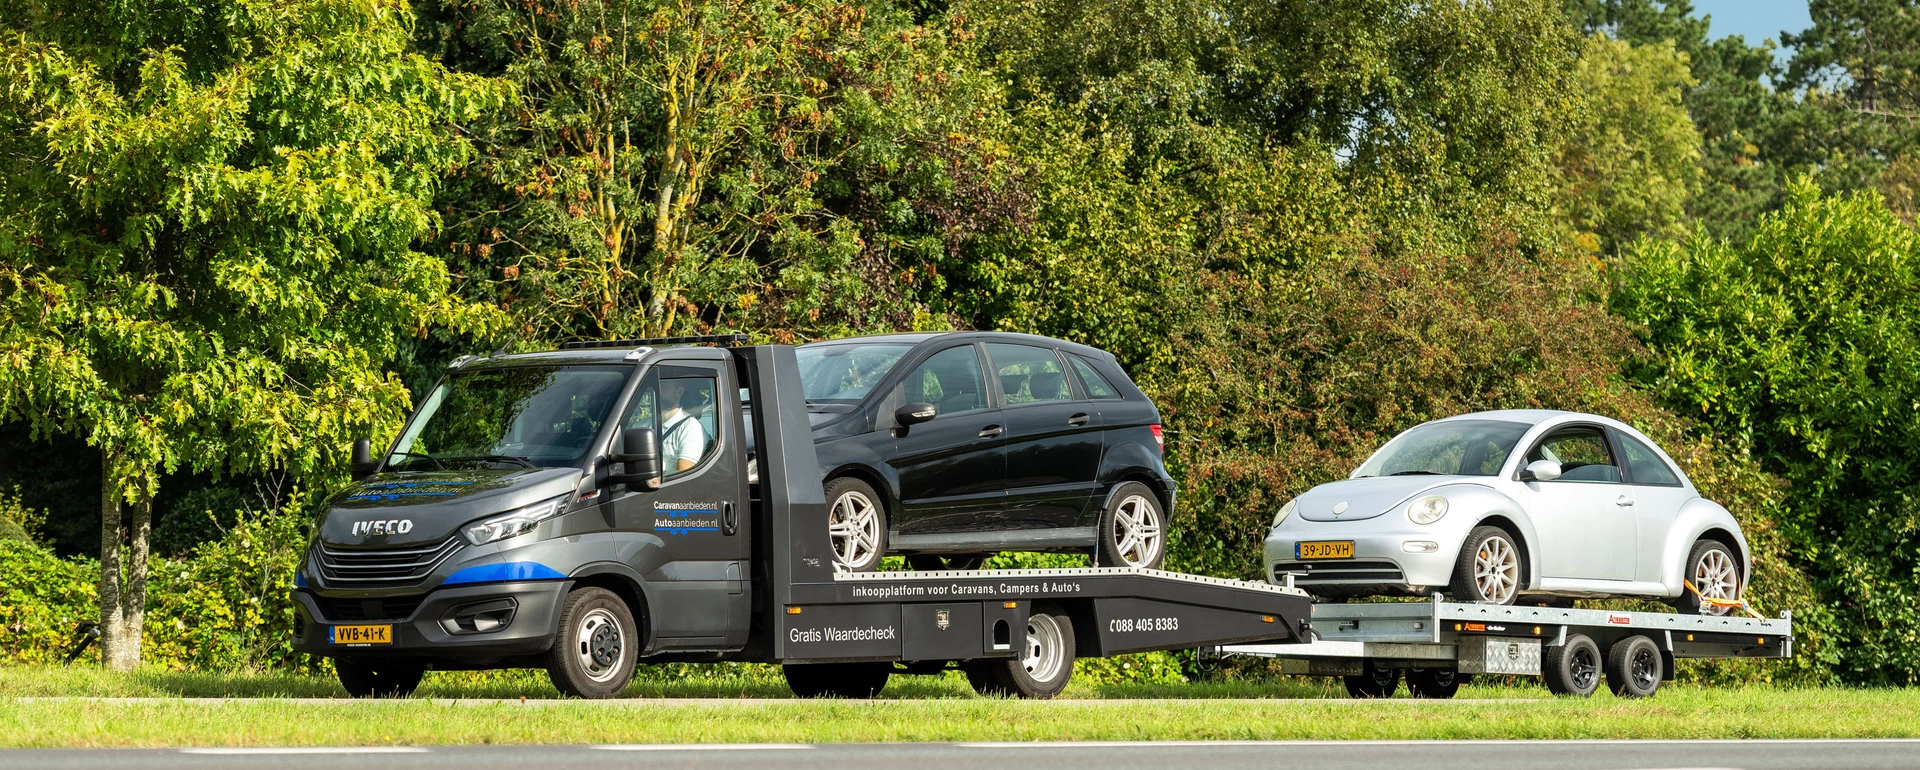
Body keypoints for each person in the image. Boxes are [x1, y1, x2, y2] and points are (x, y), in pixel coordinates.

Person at [659, 379, 708, 473]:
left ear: (679, 392)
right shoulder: (641, 425)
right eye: (656, 387)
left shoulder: (691, 428)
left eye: (663, 387)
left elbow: (684, 473)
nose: (658, 391)